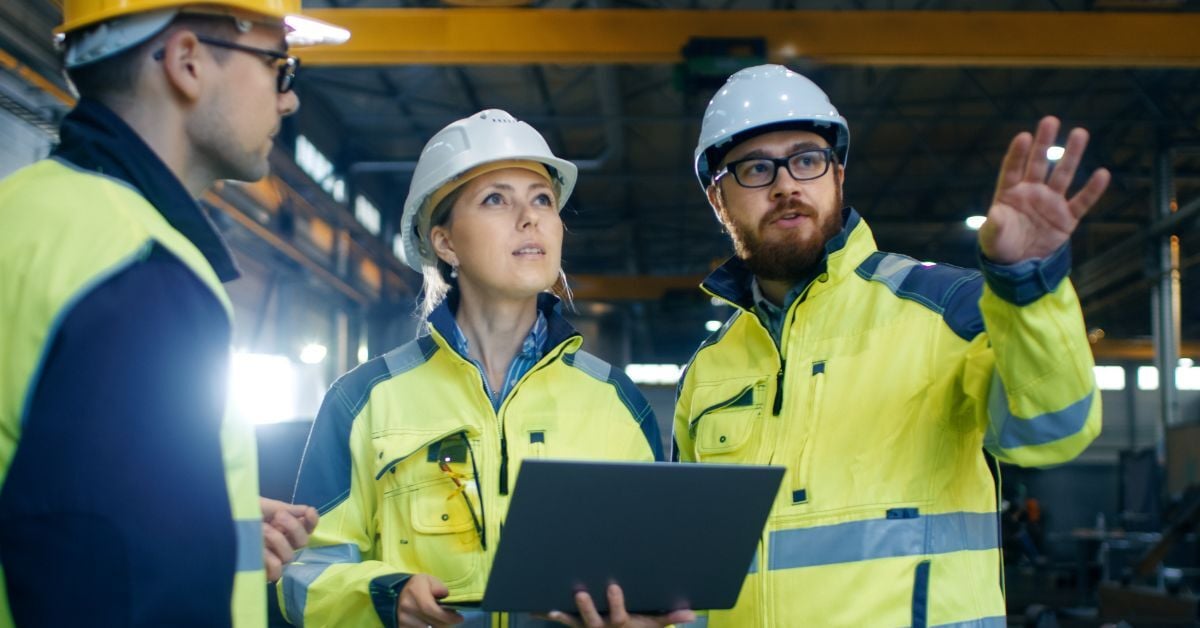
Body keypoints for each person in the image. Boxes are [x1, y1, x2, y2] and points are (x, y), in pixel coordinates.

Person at [673, 64, 1108, 626]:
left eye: (807, 160)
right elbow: (693, 566)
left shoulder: (949, 308)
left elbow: (1055, 430)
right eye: (756, 169)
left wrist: (1027, 286)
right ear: (717, 198)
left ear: (838, 176)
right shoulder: (708, 372)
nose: (786, 185)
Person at [0, 1, 347, 625]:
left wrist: (209, 520)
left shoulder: (24, 213)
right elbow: (130, 594)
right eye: (280, 67)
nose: (288, 100)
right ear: (187, 63)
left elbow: (65, 523)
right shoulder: (142, 272)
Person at [282, 109, 694, 628]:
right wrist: (386, 597)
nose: (531, 218)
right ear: (446, 242)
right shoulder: (363, 399)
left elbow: (658, 577)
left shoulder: (616, 401)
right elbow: (304, 578)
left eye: (542, 198)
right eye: (496, 199)